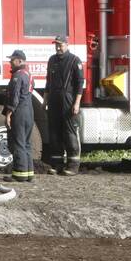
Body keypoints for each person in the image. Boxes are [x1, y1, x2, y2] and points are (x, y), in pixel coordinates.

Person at [45, 35, 84, 175]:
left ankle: (73, 166)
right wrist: (45, 99)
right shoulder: (52, 60)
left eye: (60, 45)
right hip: (54, 100)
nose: (57, 47)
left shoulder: (74, 60)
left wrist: (77, 103)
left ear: (67, 45)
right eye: (56, 44)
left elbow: (80, 84)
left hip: (69, 100)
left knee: (70, 132)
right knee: (54, 132)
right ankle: (57, 165)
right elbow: (48, 82)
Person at [3, 50, 35, 183]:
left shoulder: (18, 76)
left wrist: (8, 114)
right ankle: (29, 174)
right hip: (29, 111)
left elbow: (14, 97)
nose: (10, 63)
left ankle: (20, 174)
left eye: (12, 60)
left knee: (18, 143)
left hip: (20, 112)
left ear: (20, 61)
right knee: (26, 143)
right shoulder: (28, 74)